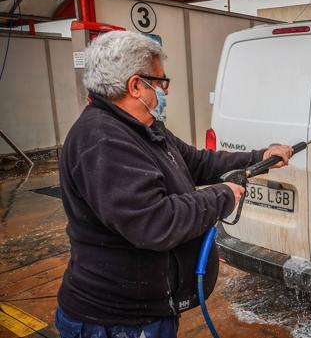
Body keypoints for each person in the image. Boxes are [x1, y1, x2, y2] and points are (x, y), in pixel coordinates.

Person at [55, 30, 292, 337]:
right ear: (136, 86)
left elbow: (198, 162)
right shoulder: (103, 140)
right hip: (116, 322)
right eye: (160, 82)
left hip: (147, 310)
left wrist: (261, 156)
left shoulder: (143, 128)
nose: (163, 90)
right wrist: (221, 197)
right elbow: (154, 222)